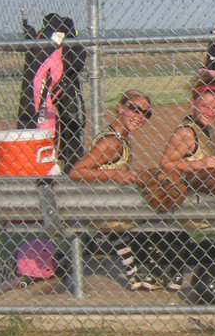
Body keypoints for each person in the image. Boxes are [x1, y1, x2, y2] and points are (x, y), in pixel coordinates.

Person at [68, 90, 158, 290]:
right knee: (162, 210)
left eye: (146, 113)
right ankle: (161, 272)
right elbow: (77, 172)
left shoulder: (120, 137)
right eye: (135, 109)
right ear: (120, 108)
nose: (140, 116)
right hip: (102, 210)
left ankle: (134, 275)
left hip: (105, 206)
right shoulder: (112, 142)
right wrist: (115, 175)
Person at [158, 79, 215, 294]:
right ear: (193, 104)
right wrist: (199, 164)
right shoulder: (187, 131)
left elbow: (202, 159)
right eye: (205, 106)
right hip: (188, 196)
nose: (211, 112)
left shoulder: (206, 129)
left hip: (202, 193)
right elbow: (165, 164)